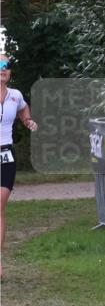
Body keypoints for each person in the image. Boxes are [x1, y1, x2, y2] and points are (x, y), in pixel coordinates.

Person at [0, 53, 39, 279]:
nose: (2, 69)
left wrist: (27, 120)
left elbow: (24, 108)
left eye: (6, 65)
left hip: (6, 155)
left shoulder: (15, 96)